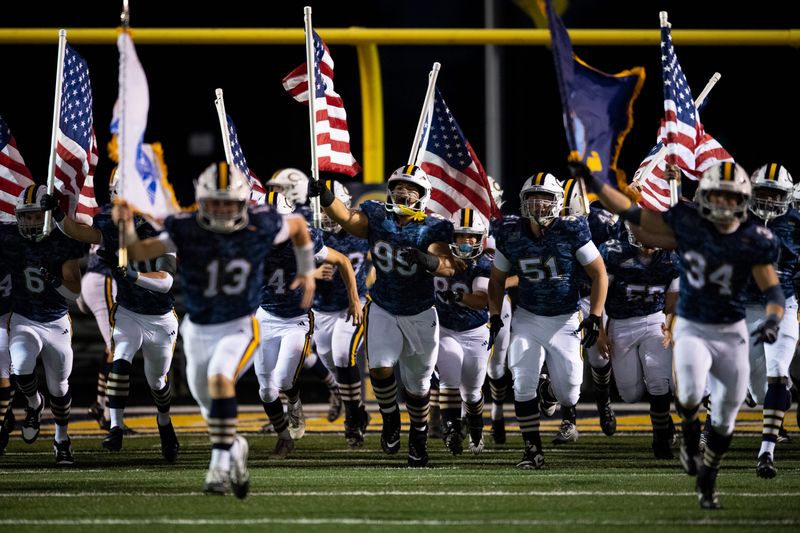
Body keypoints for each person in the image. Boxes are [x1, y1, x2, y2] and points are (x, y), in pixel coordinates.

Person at [574, 160, 784, 509]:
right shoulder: (691, 227)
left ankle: (709, 475)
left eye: (729, 197)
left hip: (732, 330)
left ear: (743, 200)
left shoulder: (755, 238)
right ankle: (687, 434)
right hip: (693, 326)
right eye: (717, 195)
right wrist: (595, 181)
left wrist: (775, 318)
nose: (723, 204)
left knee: (726, 417)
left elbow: (773, 291)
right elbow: (635, 217)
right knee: (687, 395)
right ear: (705, 196)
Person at [112, 162, 316, 498]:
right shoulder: (186, 227)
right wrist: (125, 229)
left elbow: (297, 226)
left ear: (242, 203)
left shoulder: (260, 224)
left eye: (229, 203)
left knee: (222, 379)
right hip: (198, 328)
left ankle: (217, 470)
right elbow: (137, 251)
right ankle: (234, 448)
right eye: (215, 202)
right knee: (210, 410)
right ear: (203, 201)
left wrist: (307, 270)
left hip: (240, 325)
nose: (222, 210)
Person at [308, 164, 459, 467]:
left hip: (419, 312)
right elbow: (348, 219)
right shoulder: (378, 216)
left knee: (417, 386)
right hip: (384, 306)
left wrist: (426, 259)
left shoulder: (433, 226)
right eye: (399, 187)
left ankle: (418, 435)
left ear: (422, 195)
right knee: (379, 366)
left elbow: (448, 265)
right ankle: (390, 418)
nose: (403, 192)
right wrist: (325, 196)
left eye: (411, 188)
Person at [41, 180, 180, 461]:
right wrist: (56, 214)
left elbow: (165, 282)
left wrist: (134, 275)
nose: (124, 213)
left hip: (160, 318)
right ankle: (115, 426)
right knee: (120, 358)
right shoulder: (110, 228)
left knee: (157, 381)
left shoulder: (163, 231)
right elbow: (79, 232)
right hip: (128, 310)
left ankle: (164, 423)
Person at [487, 172, 608, 469]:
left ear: (557, 202)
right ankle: (532, 451)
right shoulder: (511, 232)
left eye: (545, 199)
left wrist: (594, 315)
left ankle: (549, 390)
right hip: (528, 317)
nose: (539, 205)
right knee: (523, 382)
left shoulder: (572, 229)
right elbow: (497, 279)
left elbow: (599, 273)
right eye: (533, 198)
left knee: (570, 391)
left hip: (565, 318)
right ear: (523, 201)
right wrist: (493, 314)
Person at [254, 191, 361, 458]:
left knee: (281, 379)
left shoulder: (305, 238)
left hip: (295, 319)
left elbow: (342, 260)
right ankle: (283, 437)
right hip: (264, 316)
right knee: (266, 391)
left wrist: (354, 300)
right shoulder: (249, 240)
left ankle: (294, 402)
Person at [0, 185, 85, 464]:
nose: (31, 222)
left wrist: (55, 280)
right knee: (21, 367)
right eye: (26, 216)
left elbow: (74, 293)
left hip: (57, 321)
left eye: (37, 216)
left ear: (48, 215)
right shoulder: (10, 238)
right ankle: (35, 404)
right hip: (24, 317)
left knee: (59, 387)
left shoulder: (62, 241)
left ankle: (62, 439)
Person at [596, 222, 680, 458]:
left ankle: (660, 437)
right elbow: (599, 291)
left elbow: (673, 298)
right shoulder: (613, 252)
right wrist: (600, 330)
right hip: (621, 323)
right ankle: (662, 416)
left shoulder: (672, 257)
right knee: (630, 394)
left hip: (655, 319)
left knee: (658, 381)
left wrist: (670, 326)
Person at [742, 163, 798, 478]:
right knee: (759, 387)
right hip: (748, 307)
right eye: (762, 192)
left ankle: (766, 452)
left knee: (778, 374)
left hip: (784, 304)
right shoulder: (738, 221)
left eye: (773, 193)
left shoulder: (796, 224)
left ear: (786, 196)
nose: (767, 199)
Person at [559, 178, 621, 436]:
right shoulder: (548, 222)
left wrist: (601, 318)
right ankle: (568, 419)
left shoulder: (602, 223)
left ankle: (603, 403)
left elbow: (610, 272)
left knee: (598, 355)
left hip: (592, 293)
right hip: (561, 297)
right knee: (563, 359)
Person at [313, 180, 372, 447]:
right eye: (322, 210)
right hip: (321, 308)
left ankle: (352, 420)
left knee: (341, 354)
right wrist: (311, 274)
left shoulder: (361, 230)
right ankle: (357, 409)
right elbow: (286, 270)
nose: (326, 215)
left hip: (353, 303)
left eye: (330, 209)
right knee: (332, 365)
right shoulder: (310, 232)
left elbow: (378, 260)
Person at [434, 208, 492, 454]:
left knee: (472, 391)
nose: (467, 241)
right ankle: (451, 429)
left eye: (472, 237)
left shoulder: (484, 264)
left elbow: (482, 299)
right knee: (448, 375)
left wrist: (461, 296)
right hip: (444, 328)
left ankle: (476, 425)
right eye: (460, 235)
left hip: (475, 330)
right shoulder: (438, 256)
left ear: (481, 239)